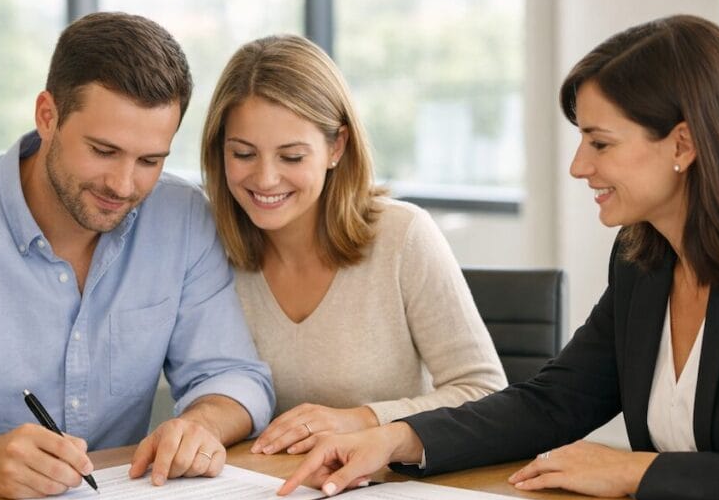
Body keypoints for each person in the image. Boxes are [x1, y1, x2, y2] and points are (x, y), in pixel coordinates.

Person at [280, 15, 719, 500]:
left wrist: (635, 471)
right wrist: (397, 438)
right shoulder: (644, 258)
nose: (581, 167)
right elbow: (553, 403)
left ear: (684, 142)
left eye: (600, 142)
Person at [0, 12, 274, 498]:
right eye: (103, 150)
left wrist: (202, 424)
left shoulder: (183, 218)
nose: (124, 185)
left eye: (150, 160)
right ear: (47, 116)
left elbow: (234, 376)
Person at [200, 35, 506, 456]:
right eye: (243, 154)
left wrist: (360, 420)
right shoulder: (208, 247)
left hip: (386, 492)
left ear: (336, 146)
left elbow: (486, 393)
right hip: (264, 492)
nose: (265, 179)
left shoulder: (403, 236)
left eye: (291, 157)